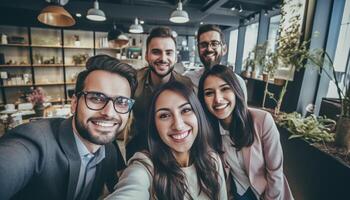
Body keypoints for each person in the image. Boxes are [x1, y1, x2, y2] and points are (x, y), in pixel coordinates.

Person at [0, 55, 138, 200]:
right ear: (74, 104)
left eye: (122, 102)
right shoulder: (33, 142)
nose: (109, 113)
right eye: (96, 98)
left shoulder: (108, 149)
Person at [105, 81, 227, 200]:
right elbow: (131, 188)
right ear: (154, 125)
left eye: (185, 110)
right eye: (164, 115)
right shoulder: (145, 167)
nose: (178, 125)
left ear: (198, 114)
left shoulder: (212, 160)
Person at [198, 64, 294, 200]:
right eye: (209, 93)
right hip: (237, 193)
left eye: (225, 89)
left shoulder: (262, 121)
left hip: (268, 193)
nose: (218, 99)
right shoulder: (208, 130)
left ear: (236, 90)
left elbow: (275, 171)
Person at [125, 26, 193, 160]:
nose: (163, 58)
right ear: (146, 55)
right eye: (156, 52)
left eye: (169, 53)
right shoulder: (133, 81)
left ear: (175, 57)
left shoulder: (185, 84)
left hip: (172, 146)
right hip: (138, 144)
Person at [183, 24, 247, 100]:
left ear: (224, 49)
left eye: (214, 44)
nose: (209, 49)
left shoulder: (238, 82)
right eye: (203, 45)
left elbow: (243, 111)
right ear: (198, 50)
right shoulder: (188, 79)